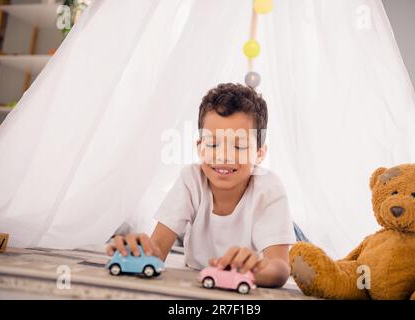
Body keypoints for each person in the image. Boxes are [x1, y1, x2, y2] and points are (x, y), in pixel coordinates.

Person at [106, 83, 297, 287]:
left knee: (304, 253)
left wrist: (253, 270)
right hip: (204, 247)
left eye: (239, 146)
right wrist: (137, 253)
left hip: (274, 227)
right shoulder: (191, 179)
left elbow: (280, 268)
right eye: (212, 144)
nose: (223, 155)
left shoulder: (269, 190)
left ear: (260, 154)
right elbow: (157, 251)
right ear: (200, 148)